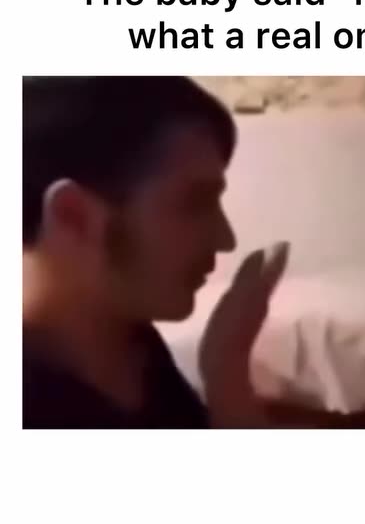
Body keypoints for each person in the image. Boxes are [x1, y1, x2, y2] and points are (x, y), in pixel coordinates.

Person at [23, 77, 287, 428]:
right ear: (75, 219)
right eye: (196, 203)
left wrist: (226, 369)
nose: (226, 239)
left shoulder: (129, 340)